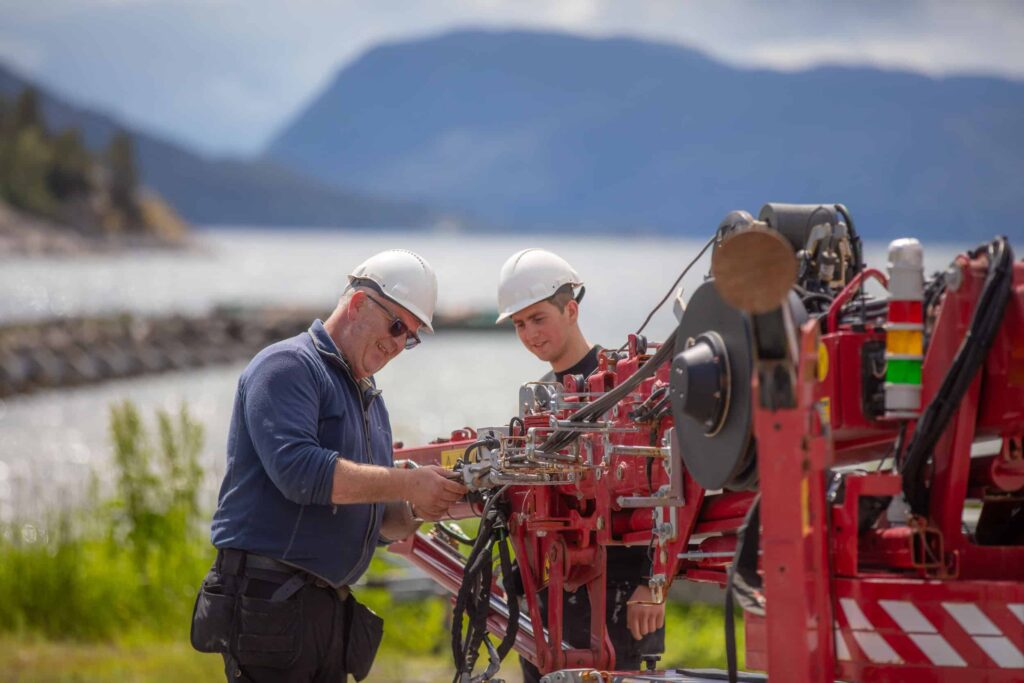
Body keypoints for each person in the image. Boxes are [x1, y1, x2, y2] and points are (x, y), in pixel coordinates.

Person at [191, 249, 468, 683]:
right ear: (358, 304)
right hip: (272, 603)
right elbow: (302, 473)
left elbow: (371, 523)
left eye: (410, 337)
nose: (398, 343)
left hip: (319, 611)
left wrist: (414, 509)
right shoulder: (287, 366)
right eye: (397, 326)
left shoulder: (367, 397)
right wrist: (410, 482)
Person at [496, 248, 666, 680]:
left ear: (570, 309)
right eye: (519, 324)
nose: (530, 334)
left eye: (538, 318)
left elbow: (668, 485)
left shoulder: (625, 384)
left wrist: (655, 583)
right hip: (548, 600)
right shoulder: (538, 401)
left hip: (618, 599)